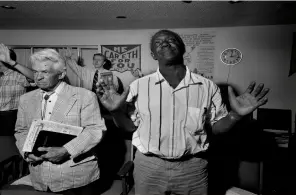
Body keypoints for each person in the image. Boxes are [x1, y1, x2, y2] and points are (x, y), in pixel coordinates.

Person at [96, 29, 270, 195]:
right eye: (158, 42)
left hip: (193, 168)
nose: (165, 43)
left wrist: (235, 115)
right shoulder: (138, 86)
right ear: (153, 55)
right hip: (148, 168)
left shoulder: (207, 87)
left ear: (182, 48)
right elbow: (130, 128)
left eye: (171, 40)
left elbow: (216, 127)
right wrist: (116, 112)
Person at [14, 49, 107, 195]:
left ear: (61, 74)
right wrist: (26, 153)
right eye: (35, 72)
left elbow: (95, 130)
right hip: (40, 178)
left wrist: (66, 150)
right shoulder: (26, 99)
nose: (38, 77)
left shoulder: (85, 96)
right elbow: (21, 131)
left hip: (77, 178)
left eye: (45, 72)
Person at [0, 44, 33, 136]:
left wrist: (11, 62)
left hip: (11, 118)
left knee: (9, 147)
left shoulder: (18, 75)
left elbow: (35, 77)